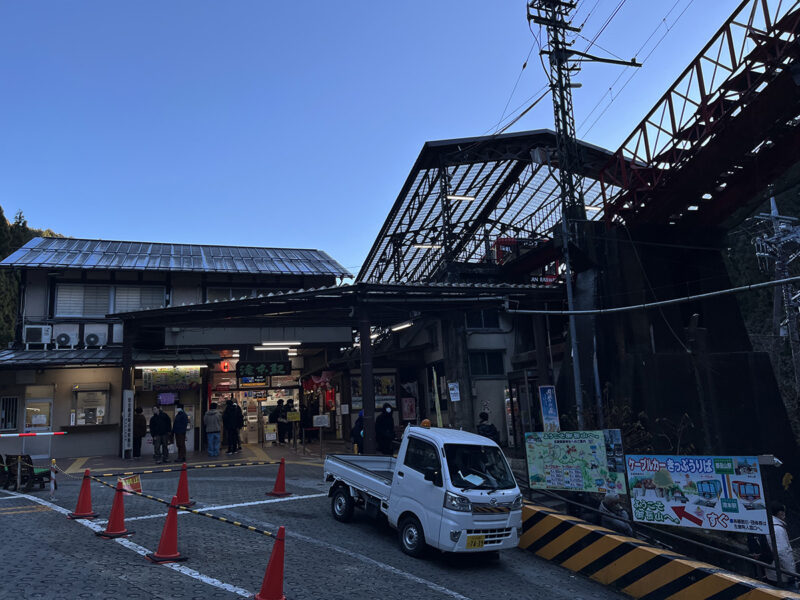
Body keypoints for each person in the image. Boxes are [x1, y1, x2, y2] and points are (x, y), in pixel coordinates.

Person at [765, 502, 797, 588]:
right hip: (782, 575)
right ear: (780, 513)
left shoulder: (768, 525)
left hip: (772, 572)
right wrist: (791, 574)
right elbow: (783, 553)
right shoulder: (778, 529)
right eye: (783, 511)